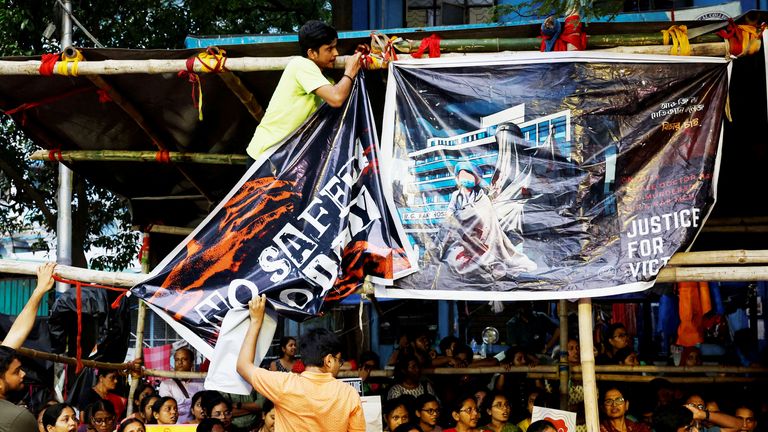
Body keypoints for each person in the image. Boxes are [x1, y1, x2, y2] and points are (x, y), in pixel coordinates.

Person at [236, 294, 366, 431]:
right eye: (338, 361)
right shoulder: (349, 394)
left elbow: (243, 366)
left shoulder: (285, 384)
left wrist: (256, 321)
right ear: (328, 360)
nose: (339, 366)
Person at [245, 20, 363, 161]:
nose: (336, 53)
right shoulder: (300, 65)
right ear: (312, 53)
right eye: (329, 49)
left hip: (284, 159)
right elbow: (337, 98)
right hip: (264, 157)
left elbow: (340, 93)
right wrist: (350, 70)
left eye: (335, 47)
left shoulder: (324, 81)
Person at [0, 262, 56, 432]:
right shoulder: (16, 419)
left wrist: (39, 291)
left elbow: (17, 332)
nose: (23, 373)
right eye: (16, 371)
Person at [159, 347, 205, 423]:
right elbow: (167, 408)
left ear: (191, 362)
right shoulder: (166, 384)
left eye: (184, 359)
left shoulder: (201, 383)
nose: (180, 362)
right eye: (177, 360)